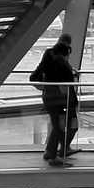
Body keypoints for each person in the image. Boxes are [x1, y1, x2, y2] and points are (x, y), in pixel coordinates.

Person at [31, 34, 81, 165]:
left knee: (57, 127)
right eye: (67, 55)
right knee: (61, 127)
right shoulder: (62, 67)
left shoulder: (49, 61)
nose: (68, 57)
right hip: (61, 101)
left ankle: (52, 152)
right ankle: (55, 155)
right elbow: (68, 86)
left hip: (50, 99)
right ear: (62, 54)